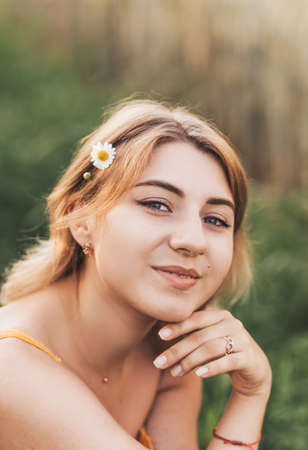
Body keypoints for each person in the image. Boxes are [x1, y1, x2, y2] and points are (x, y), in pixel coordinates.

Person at [0, 99, 272, 449]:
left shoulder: (166, 352)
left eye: (215, 220)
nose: (193, 240)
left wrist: (252, 392)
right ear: (82, 220)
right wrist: (250, 399)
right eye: (157, 204)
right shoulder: (13, 366)